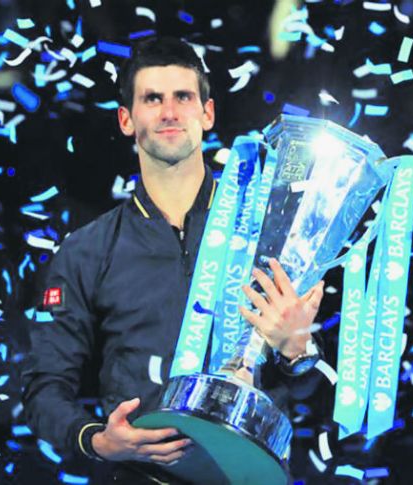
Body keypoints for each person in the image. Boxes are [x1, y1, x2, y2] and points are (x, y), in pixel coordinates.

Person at [21, 37, 325, 484]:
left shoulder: (272, 233)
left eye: (183, 97)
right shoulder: (88, 250)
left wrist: (298, 349)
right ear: (126, 119)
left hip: (250, 474)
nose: (168, 112)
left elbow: (316, 390)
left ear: (208, 113)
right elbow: (44, 387)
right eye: (152, 99)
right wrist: (97, 440)